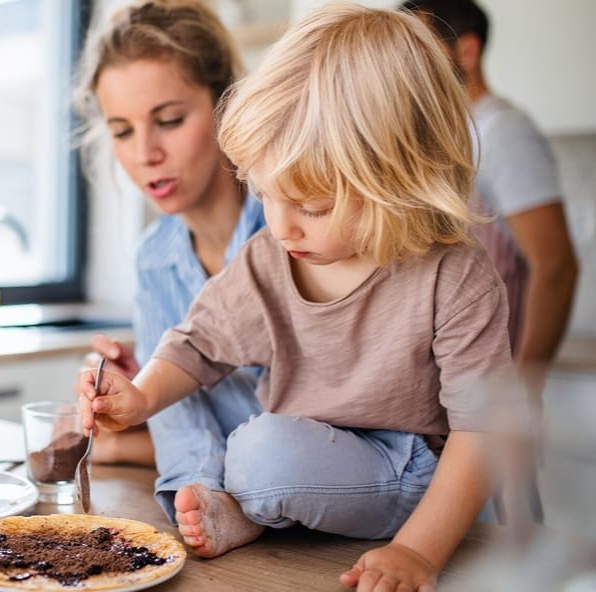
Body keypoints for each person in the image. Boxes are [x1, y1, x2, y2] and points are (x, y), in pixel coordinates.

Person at [78, 4, 513, 590]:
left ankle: (262, 508)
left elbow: (481, 431)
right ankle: (257, 510)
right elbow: (195, 344)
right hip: (308, 469)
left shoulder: (455, 276)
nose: (280, 226)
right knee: (264, 450)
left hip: (411, 477)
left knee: (264, 455)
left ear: (400, 178)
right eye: (267, 194)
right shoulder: (270, 253)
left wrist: (418, 552)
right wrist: (139, 399)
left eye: (311, 207)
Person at [73, 0, 266, 507]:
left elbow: (310, 434)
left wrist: (132, 444)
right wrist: (138, 395)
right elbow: (189, 432)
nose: (145, 154)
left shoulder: (295, 228)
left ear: (227, 105)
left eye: (170, 119)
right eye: (122, 130)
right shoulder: (154, 259)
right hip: (241, 519)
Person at [400, 0, 578, 365]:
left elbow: (556, 267)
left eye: (420, 50)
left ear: (466, 51)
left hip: (490, 380)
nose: (405, 68)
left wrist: (524, 385)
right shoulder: (450, 135)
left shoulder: (503, 133)